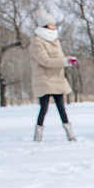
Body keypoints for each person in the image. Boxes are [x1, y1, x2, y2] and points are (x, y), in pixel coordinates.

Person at [31, 9, 78, 142]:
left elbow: (59, 57)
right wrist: (64, 62)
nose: (54, 26)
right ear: (45, 25)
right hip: (44, 78)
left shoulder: (54, 39)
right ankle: (38, 133)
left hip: (57, 77)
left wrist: (68, 59)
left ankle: (70, 133)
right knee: (44, 107)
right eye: (51, 24)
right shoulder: (37, 41)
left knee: (61, 107)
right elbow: (44, 60)